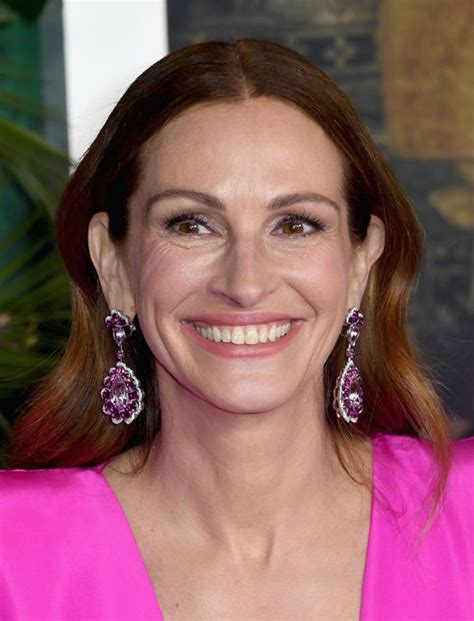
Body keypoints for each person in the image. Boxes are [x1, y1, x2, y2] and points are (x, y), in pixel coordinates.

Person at [0, 39, 472, 621]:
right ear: (114, 265)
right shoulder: (13, 554)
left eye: (295, 225)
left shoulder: (466, 514)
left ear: (359, 263)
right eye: (192, 224)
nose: (245, 283)